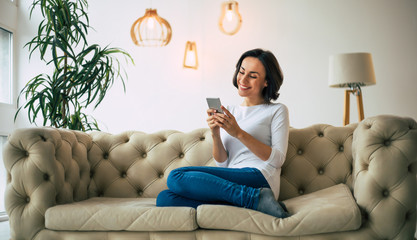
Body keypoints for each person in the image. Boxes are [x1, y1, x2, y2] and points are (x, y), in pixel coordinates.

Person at [156, 48, 290, 218]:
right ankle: (253, 202)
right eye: (241, 72)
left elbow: (278, 159)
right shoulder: (231, 111)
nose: (243, 79)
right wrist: (215, 133)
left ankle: (255, 197)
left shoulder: (277, 110)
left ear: (267, 82)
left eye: (253, 76)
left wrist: (239, 133)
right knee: (165, 198)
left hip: (260, 176)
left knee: (176, 176)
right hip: (233, 178)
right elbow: (224, 165)